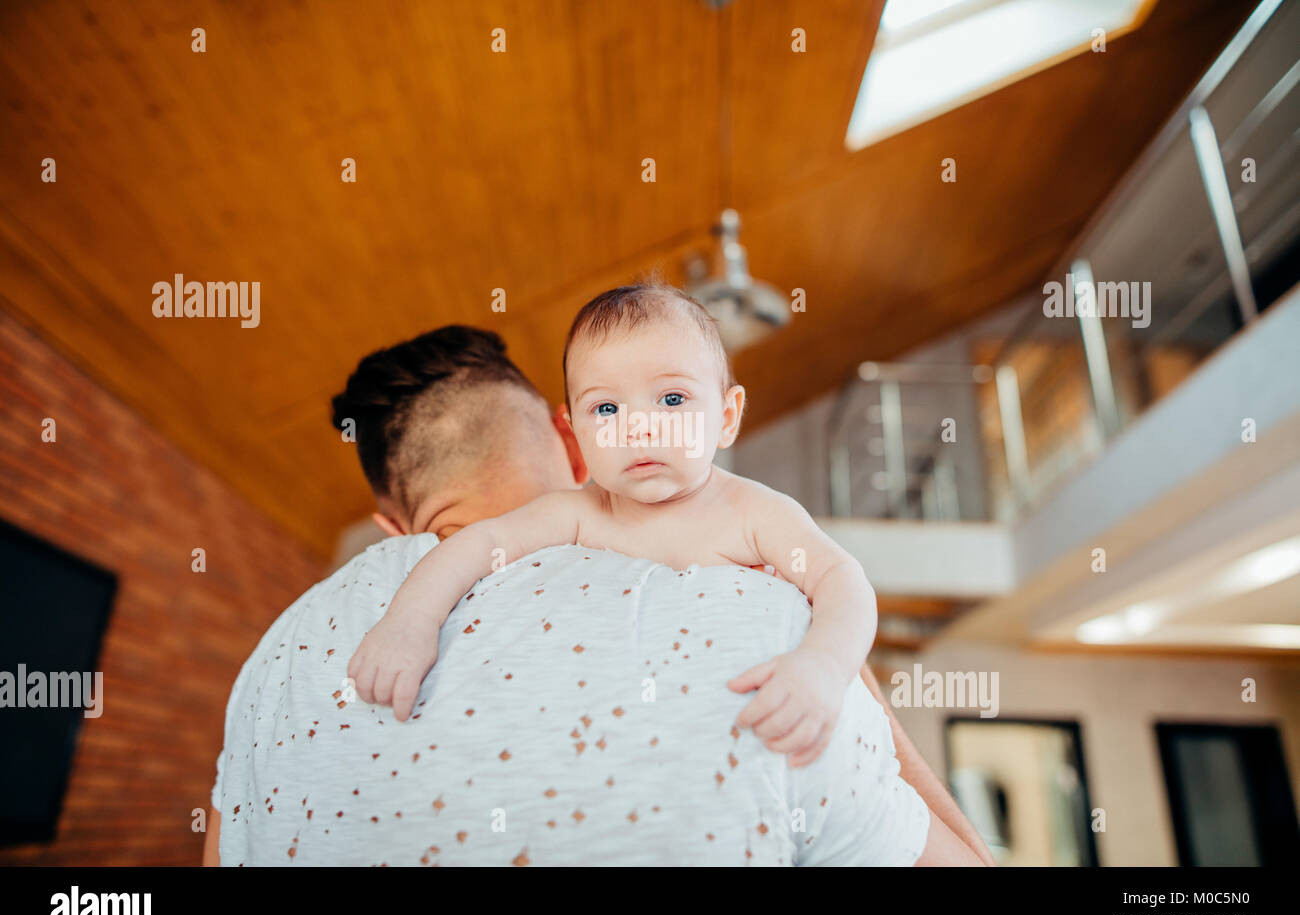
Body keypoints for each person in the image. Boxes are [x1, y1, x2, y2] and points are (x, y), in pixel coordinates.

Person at [203, 322, 992, 865]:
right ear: (575, 434)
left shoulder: (274, 663)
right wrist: (829, 658)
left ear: (388, 525)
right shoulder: (761, 609)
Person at [350, 285, 875, 771]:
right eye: (606, 407)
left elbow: (840, 579)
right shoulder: (576, 513)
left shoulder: (755, 512)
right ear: (575, 432)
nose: (638, 426)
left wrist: (824, 665)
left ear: (727, 415)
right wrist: (409, 623)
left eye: (672, 399)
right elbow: (478, 543)